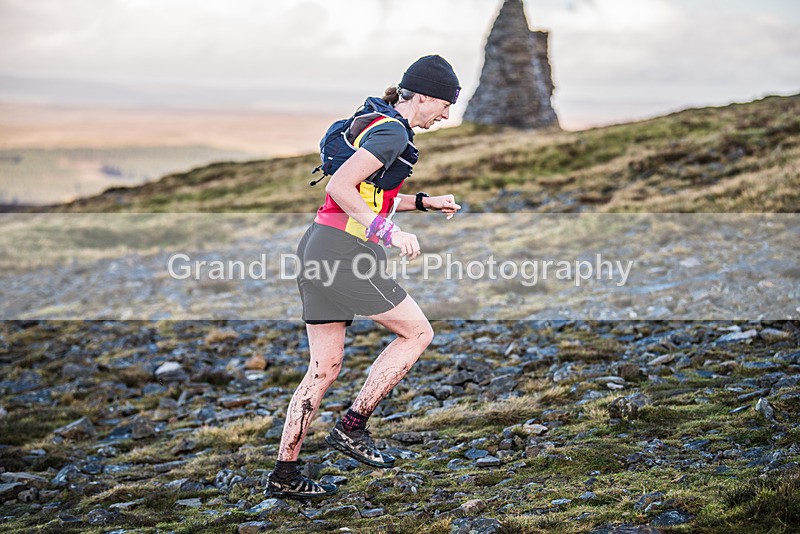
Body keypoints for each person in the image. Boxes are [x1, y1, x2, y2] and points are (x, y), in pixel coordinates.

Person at [267, 55, 463, 498]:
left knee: (324, 368)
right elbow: (339, 186)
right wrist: (389, 233)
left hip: (318, 246)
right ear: (426, 96)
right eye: (445, 105)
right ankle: (352, 427)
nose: (447, 115)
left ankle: (284, 476)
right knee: (417, 332)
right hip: (343, 254)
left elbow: (366, 195)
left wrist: (424, 202)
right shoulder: (394, 131)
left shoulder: (377, 122)